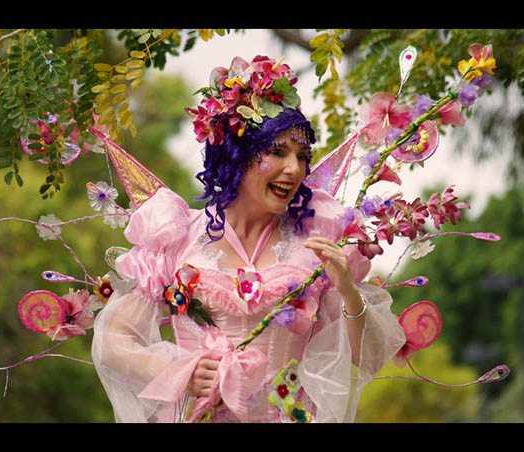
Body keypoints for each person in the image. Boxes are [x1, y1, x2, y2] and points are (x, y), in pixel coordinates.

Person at [91, 55, 405, 423]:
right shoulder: (177, 237)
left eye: (303, 156)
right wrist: (178, 371)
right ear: (236, 155)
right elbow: (113, 343)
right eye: (277, 152)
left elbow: (366, 358)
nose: (294, 168)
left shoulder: (318, 241)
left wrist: (349, 292)